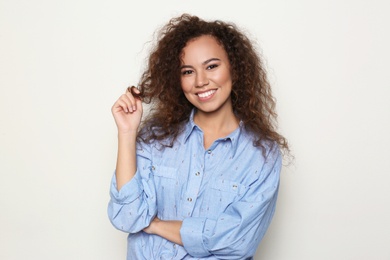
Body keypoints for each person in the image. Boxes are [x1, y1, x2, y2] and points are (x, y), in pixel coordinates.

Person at [108, 13, 289, 260]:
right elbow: (127, 216)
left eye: (212, 66)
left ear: (234, 68)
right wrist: (127, 133)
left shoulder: (261, 156)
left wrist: (154, 224)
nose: (201, 81)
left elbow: (237, 242)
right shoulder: (154, 139)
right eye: (188, 71)